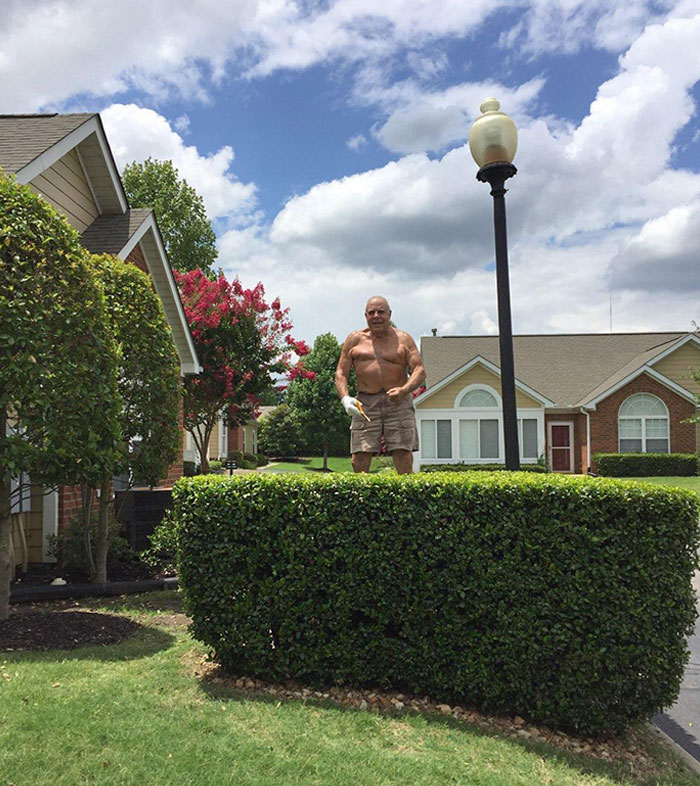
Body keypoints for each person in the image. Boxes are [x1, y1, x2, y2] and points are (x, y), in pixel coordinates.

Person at [335, 296, 426, 474]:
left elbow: (419, 370)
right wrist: (345, 399)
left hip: (398, 402)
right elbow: (340, 373)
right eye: (371, 312)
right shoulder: (355, 339)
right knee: (359, 456)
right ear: (366, 316)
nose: (376, 316)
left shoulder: (403, 339)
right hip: (365, 403)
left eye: (381, 312)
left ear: (389, 314)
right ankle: (361, 492)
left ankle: (405, 491)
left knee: (403, 453)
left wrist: (404, 390)